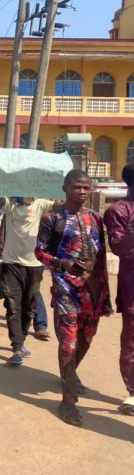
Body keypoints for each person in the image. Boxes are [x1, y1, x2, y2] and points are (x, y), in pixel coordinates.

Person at [35, 169, 112, 427]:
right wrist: (62, 264)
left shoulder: (95, 218)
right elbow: (40, 252)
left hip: (93, 290)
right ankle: (67, 400)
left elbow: (100, 258)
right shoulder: (52, 217)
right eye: (77, 187)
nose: (82, 191)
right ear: (65, 188)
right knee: (67, 343)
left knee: (86, 340)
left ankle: (69, 373)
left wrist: (106, 294)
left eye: (86, 188)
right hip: (66, 288)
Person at [0, 190, 56, 365]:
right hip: (11, 264)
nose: (28, 196)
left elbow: (61, 206)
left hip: (34, 266)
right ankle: (17, 348)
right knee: (13, 306)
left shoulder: (41, 204)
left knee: (29, 307)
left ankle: (23, 339)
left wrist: (58, 187)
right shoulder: (10, 205)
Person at [103, 162, 134, 416]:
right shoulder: (118, 211)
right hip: (132, 288)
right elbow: (119, 249)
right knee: (132, 342)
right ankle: (133, 392)